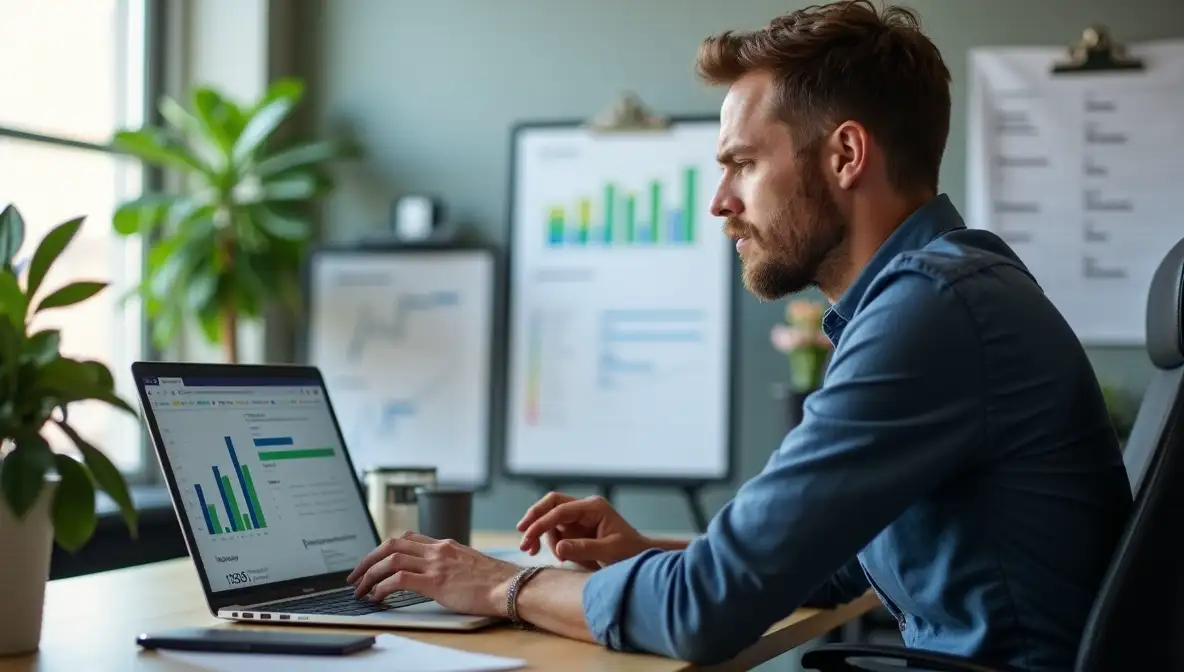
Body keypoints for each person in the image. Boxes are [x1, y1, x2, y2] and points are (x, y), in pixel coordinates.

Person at [346, 1, 1133, 669]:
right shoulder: (944, 290)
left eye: (743, 164)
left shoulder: (932, 309)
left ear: (846, 155)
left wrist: (499, 585)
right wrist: (650, 556)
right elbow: (833, 566)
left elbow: (703, 612)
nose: (719, 201)